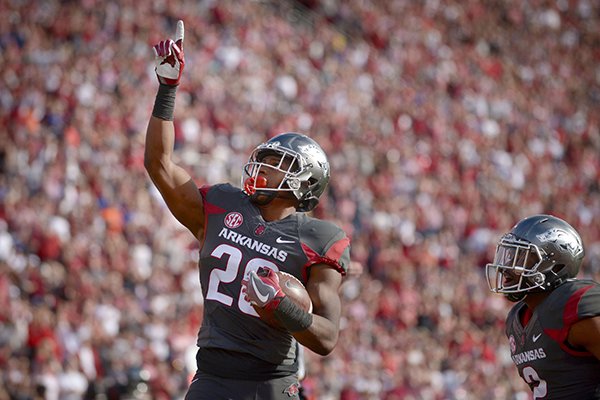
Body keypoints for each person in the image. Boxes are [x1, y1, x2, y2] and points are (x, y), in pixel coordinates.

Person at [144, 20, 351, 400]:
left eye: (278, 163)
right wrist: (167, 91)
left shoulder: (321, 239)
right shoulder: (223, 205)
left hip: (269, 383)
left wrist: (282, 309)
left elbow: (326, 338)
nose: (263, 167)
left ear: (305, 182)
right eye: (265, 159)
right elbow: (159, 165)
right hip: (210, 374)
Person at [486, 214, 600, 399]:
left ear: (553, 265)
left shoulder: (573, 306)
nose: (506, 267)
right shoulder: (516, 320)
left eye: (520, 257)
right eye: (508, 255)